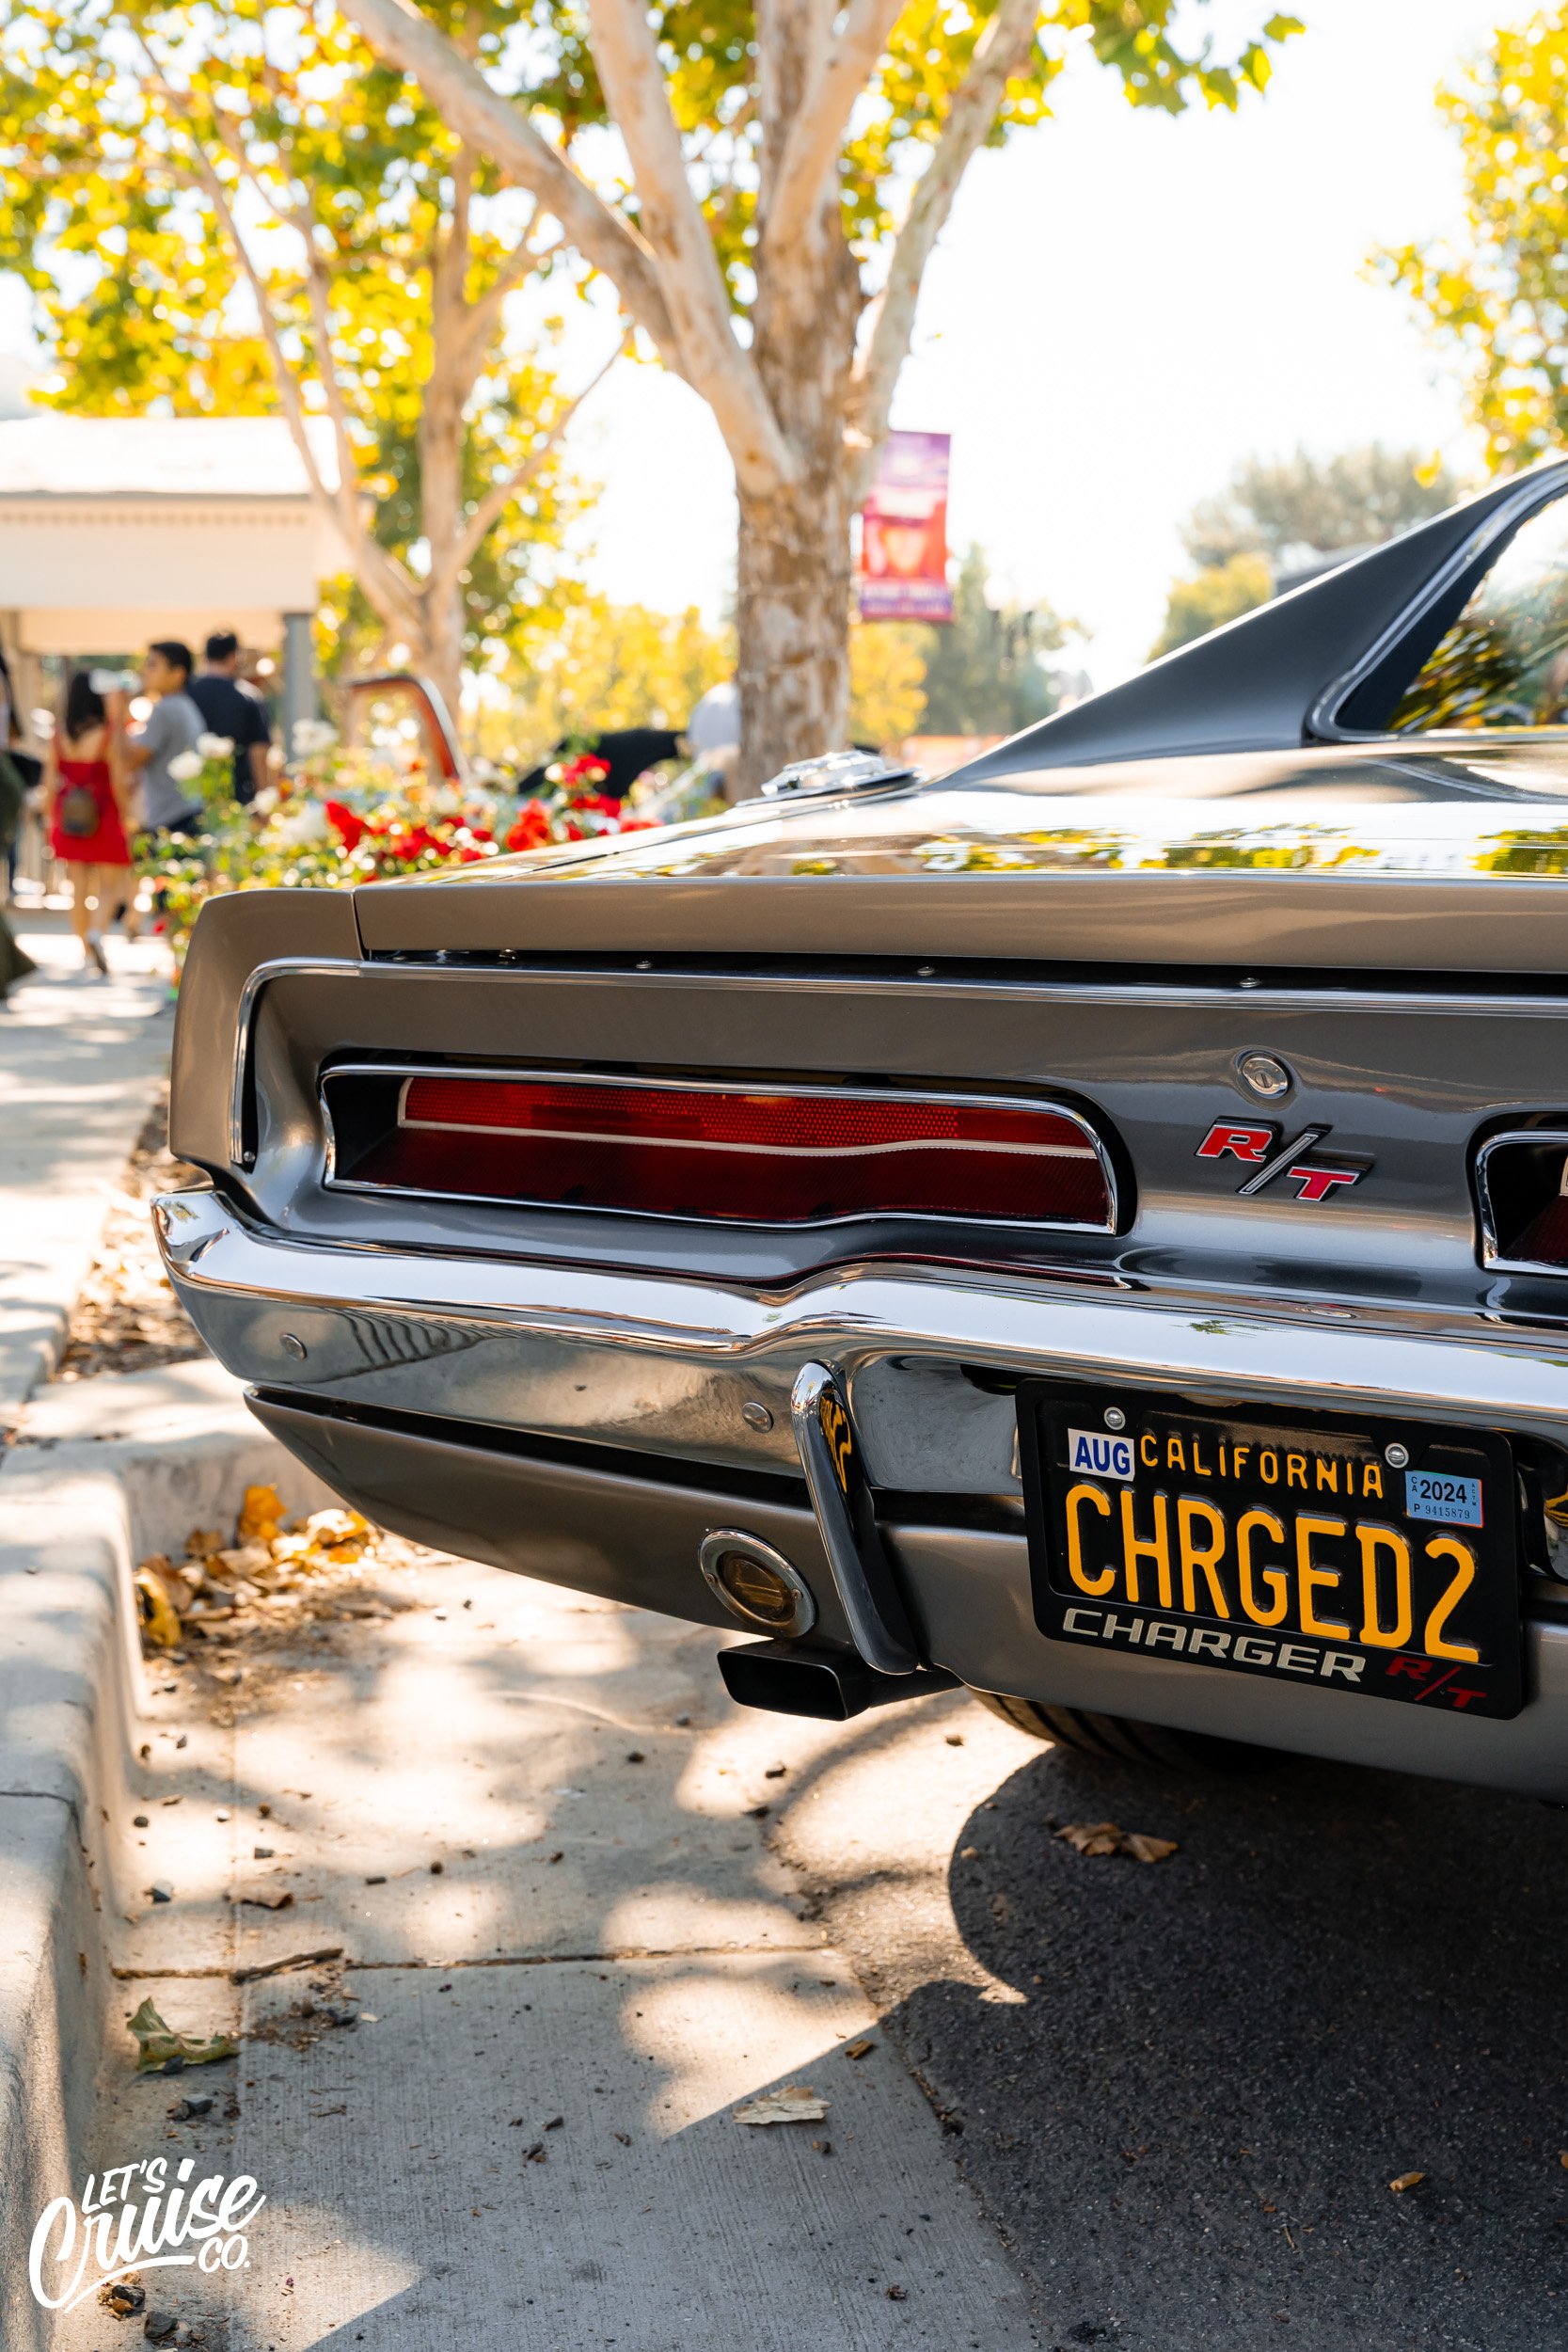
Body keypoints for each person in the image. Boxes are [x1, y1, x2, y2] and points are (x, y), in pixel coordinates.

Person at [44, 670, 137, 975]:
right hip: (104, 814)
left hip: (69, 817)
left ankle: (85, 950)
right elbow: (118, 782)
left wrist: (49, 819)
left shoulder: (58, 735)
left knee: (78, 888)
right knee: (110, 885)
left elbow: (49, 783)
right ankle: (97, 932)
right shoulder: (106, 734)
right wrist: (127, 816)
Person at [121, 642, 205, 834]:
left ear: (177, 674)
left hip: (171, 819)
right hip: (187, 812)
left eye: (152, 665)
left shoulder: (164, 710)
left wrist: (117, 715)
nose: (145, 671)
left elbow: (130, 762)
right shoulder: (186, 705)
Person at [187, 629, 273, 805]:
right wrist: (262, 797)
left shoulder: (187, 694)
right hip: (239, 794)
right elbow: (258, 749)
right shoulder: (249, 695)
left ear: (206, 657)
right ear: (234, 656)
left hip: (193, 792)